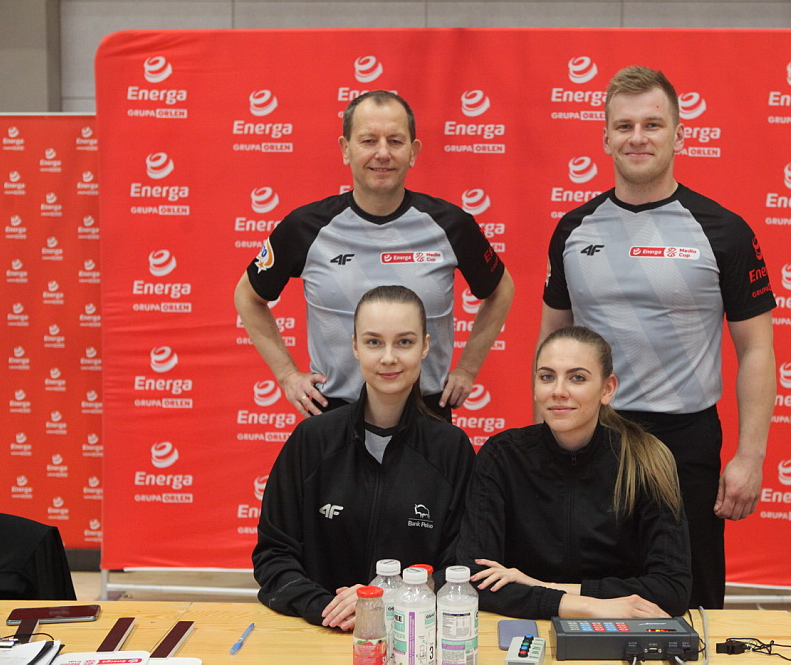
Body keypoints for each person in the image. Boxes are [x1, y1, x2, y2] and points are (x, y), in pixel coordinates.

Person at [538, 66, 776, 609]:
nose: (637, 138)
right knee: (587, 595)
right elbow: (551, 342)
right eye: (624, 126)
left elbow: (757, 350)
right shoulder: (573, 229)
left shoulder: (724, 231)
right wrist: (544, 438)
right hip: (591, 434)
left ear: (679, 134)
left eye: (652, 124)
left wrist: (751, 456)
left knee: (688, 599)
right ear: (605, 138)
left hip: (684, 442)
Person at [235, 90, 514, 419]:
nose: (382, 153)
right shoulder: (305, 227)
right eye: (369, 141)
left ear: (413, 152)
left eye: (395, 141)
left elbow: (501, 290)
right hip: (334, 416)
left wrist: (467, 369)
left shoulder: (451, 225)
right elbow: (248, 296)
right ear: (345, 149)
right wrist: (287, 375)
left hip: (427, 415)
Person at [253, 285, 476, 629]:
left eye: (404, 342)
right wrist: (328, 608)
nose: (388, 357)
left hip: (413, 636)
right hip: (319, 632)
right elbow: (273, 556)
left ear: (425, 347)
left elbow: (460, 566)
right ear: (355, 347)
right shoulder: (312, 440)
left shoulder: (451, 449)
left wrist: (390, 600)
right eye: (374, 342)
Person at [456, 326, 691, 619]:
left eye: (577, 378)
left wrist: (544, 587)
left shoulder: (645, 460)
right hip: (527, 625)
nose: (558, 391)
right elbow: (474, 578)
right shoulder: (501, 455)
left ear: (607, 389)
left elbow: (671, 589)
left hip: (621, 630)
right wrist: (593, 606)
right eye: (547, 377)